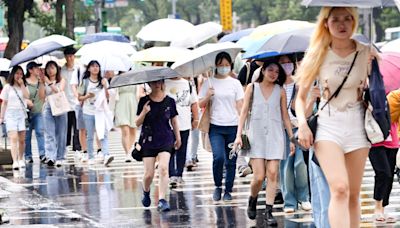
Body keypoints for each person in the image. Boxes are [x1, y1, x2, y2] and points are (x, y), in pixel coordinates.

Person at [295, 7, 377, 227]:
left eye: (348, 19)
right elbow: (300, 98)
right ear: (326, 24)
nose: (342, 24)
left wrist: (375, 69)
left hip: (358, 126)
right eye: (336, 20)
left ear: (354, 22)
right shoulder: (317, 54)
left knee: (352, 194)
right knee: (340, 189)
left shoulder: (366, 52)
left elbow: (380, 86)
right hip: (328, 127)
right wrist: (302, 124)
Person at [233, 61, 294, 225]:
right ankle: (252, 199)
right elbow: (244, 112)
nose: (273, 74)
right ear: (263, 71)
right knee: (259, 176)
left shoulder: (280, 91)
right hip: (256, 135)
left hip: (275, 135)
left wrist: (291, 137)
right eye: (270, 70)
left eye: (276, 71)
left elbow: (285, 116)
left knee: (273, 173)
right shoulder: (252, 88)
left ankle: (269, 211)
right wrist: (238, 136)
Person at [198, 52, 244, 201]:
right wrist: (208, 96)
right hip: (215, 127)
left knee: (231, 160)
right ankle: (218, 185)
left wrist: (241, 129)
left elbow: (240, 106)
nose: (224, 68)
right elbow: (199, 104)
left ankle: (228, 190)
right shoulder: (209, 82)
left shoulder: (235, 83)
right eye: (221, 65)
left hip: (232, 126)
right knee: (218, 157)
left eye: (226, 65)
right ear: (216, 66)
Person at [136, 79, 181, 212]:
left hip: (166, 138)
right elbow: (137, 123)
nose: (157, 85)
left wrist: (177, 137)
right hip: (148, 140)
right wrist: (144, 112)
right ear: (149, 84)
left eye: (159, 82)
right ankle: (146, 191)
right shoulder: (144, 101)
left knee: (163, 168)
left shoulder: (170, 101)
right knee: (148, 174)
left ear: (162, 83)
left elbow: (174, 120)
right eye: (154, 82)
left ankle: (162, 199)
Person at [278, 54, 311, 213]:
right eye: (282, 63)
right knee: (286, 167)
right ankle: (289, 202)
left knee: (301, 164)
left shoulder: (300, 84)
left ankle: (304, 197)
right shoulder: (277, 86)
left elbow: (308, 110)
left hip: (301, 129)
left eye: (289, 62)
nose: (286, 66)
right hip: (283, 131)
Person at [369, 89, 400, 224]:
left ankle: (383, 208)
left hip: (392, 141)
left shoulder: (394, 98)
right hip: (375, 141)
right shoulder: (372, 96)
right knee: (383, 173)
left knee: (389, 176)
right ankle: (377, 208)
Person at [78, 60, 114, 166]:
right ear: (89, 69)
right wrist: (88, 96)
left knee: (103, 133)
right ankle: (90, 156)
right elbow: (79, 97)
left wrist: (105, 86)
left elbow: (108, 97)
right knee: (90, 135)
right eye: (93, 66)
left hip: (100, 111)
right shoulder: (85, 81)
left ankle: (106, 154)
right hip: (88, 111)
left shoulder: (103, 81)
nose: (95, 68)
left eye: (97, 66)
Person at [165, 77, 199, 186]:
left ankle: (179, 174)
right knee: (169, 150)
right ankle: (172, 175)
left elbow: (194, 103)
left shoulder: (187, 84)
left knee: (182, 150)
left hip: (184, 122)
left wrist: (196, 119)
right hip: (168, 124)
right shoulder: (164, 83)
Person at [0, 66, 29, 170]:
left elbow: (27, 96)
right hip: (10, 114)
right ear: (13, 74)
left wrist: (22, 85)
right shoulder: (8, 87)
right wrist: (1, 117)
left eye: (21, 74)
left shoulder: (24, 85)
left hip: (21, 114)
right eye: (17, 73)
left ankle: (21, 158)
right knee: (14, 138)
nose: (19, 76)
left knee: (22, 139)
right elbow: (4, 103)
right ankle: (15, 160)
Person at [40, 61, 68, 167]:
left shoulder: (61, 80)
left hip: (60, 106)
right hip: (48, 107)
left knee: (61, 133)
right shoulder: (44, 81)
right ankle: (50, 156)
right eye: (48, 68)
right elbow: (41, 96)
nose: (50, 70)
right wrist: (43, 83)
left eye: (52, 67)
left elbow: (59, 91)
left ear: (57, 69)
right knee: (49, 133)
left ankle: (60, 156)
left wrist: (49, 83)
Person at [24, 62, 45, 163]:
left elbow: (42, 96)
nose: (38, 69)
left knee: (40, 132)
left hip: (38, 111)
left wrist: (41, 83)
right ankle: (28, 156)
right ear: (30, 70)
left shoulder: (40, 81)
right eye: (36, 68)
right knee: (27, 135)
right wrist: (27, 101)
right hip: (27, 113)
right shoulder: (24, 82)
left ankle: (42, 154)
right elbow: (23, 96)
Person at [61, 47, 81, 154]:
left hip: (76, 101)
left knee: (77, 126)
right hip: (65, 102)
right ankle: (66, 145)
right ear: (65, 57)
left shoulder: (79, 69)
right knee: (66, 126)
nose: (70, 58)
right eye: (68, 56)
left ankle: (77, 147)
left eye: (72, 56)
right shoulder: (61, 70)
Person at [114, 83, 138, 163]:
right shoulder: (117, 79)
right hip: (121, 104)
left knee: (133, 130)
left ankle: (129, 150)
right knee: (125, 130)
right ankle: (127, 153)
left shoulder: (134, 78)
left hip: (133, 103)